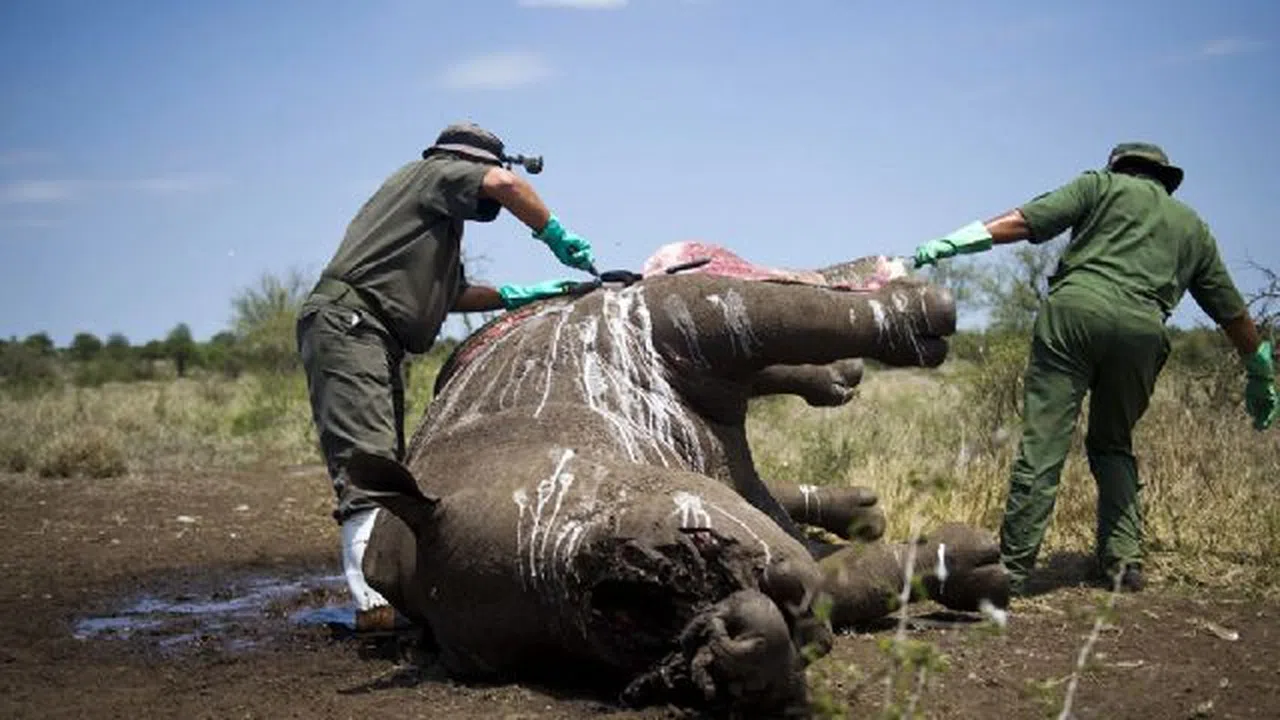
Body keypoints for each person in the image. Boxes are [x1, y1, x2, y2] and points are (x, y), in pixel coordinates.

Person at [913, 142, 1277, 595]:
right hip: (1143, 332)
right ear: (1165, 180)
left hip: (1074, 317)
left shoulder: (1099, 186)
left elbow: (1027, 221)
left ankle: (1013, 572)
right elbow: (1231, 312)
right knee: (1112, 444)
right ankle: (1123, 563)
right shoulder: (1192, 227)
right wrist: (1258, 366)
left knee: (1044, 444)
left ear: (1119, 166)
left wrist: (955, 241)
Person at [296, 122, 596, 630]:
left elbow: (451, 295)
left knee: (387, 462)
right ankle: (377, 609)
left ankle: (390, 595)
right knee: (367, 464)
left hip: (371, 330)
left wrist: (526, 294)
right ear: (469, 164)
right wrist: (553, 234)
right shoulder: (432, 173)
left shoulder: (430, 223)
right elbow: (504, 184)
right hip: (352, 323)